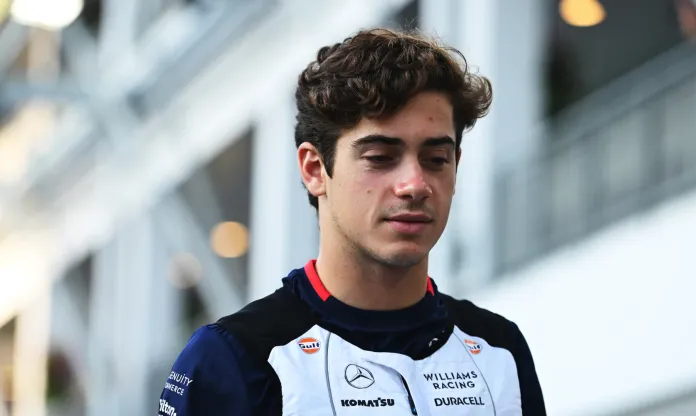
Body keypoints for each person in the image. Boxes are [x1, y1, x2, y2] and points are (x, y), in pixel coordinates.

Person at [158, 28, 547, 415]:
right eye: (380, 157)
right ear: (315, 169)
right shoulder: (233, 358)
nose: (415, 185)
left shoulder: (499, 350)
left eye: (436, 160)